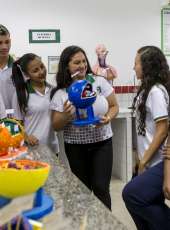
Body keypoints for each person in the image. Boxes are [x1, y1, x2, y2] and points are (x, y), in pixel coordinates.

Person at [50, 45, 119, 210]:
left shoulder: (99, 82)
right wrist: (66, 115)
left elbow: (114, 106)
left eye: (83, 61)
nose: (81, 66)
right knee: (83, 190)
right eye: (76, 62)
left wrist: (108, 117)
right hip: (75, 147)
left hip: (102, 142)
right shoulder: (61, 92)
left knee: (101, 188)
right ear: (67, 66)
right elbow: (56, 126)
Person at [122, 46, 170, 230]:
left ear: (147, 65)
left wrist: (144, 161)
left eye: (136, 63)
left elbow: (162, 129)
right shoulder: (146, 90)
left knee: (131, 194)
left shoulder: (156, 92)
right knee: (143, 202)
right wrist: (139, 158)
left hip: (157, 161)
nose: (134, 67)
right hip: (149, 160)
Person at [11, 53, 59, 153]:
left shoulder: (53, 90)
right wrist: (26, 137)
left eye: (42, 66)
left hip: (53, 148)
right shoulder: (21, 94)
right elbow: (15, 125)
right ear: (27, 74)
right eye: (35, 70)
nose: (41, 72)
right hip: (31, 150)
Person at [0, 24, 15, 109]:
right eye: (0, 43)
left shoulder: (20, 67)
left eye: (7, 42)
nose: (4, 47)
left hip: (16, 120)